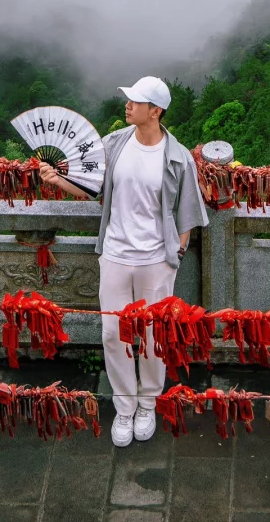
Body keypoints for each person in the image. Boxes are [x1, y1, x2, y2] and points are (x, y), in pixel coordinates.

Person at [38, 75, 208, 447]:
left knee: (151, 335)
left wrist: (175, 256)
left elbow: (188, 213)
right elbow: (91, 187)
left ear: (156, 111)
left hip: (154, 259)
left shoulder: (177, 158)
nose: (128, 105)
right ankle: (125, 407)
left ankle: (148, 403)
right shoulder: (113, 144)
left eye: (136, 101)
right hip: (115, 253)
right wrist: (56, 180)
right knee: (113, 333)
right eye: (129, 100)